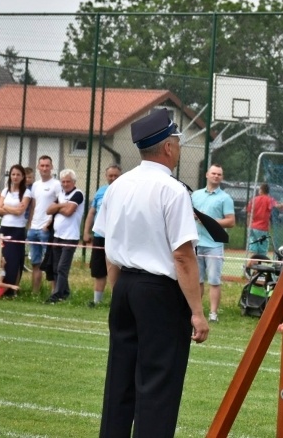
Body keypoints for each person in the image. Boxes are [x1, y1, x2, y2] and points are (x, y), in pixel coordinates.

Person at [94, 108, 209, 437]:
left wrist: (120, 289)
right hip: (159, 291)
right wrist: (198, 312)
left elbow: (108, 245)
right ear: (169, 148)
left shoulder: (118, 186)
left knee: (120, 380)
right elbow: (183, 256)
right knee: (159, 383)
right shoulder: (171, 190)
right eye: (178, 142)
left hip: (126, 285)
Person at [192, 164, 235, 322]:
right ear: (207, 175)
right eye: (213, 173)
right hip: (196, 243)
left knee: (214, 281)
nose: (216, 176)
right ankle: (196, 312)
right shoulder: (195, 195)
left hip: (214, 245)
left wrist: (209, 221)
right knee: (197, 281)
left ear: (221, 178)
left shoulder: (225, 198)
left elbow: (231, 221)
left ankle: (213, 314)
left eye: (219, 174)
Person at [83, 164, 122, 307]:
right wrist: (86, 232)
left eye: (115, 175)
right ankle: (96, 301)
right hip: (99, 235)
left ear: (120, 176)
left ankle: (116, 301)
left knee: (116, 268)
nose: (112, 178)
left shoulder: (125, 190)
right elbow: (92, 213)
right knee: (99, 270)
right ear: (106, 176)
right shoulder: (100, 191)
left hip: (116, 236)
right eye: (110, 175)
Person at [45, 169, 85, 304]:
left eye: (68, 181)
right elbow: (48, 210)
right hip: (57, 235)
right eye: (63, 181)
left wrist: (58, 207)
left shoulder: (78, 194)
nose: (66, 184)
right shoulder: (61, 194)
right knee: (56, 267)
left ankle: (57, 295)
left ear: (73, 182)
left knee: (62, 267)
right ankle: (64, 292)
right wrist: (62, 205)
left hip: (70, 236)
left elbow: (69, 212)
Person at [27, 156, 62, 294]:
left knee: (50, 261)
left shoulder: (56, 184)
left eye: (47, 165)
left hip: (46, 230)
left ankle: (54, 291)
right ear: (38, 167)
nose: (44, 168)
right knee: (35, 263)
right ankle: (35, 292)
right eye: (42, 165)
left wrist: (49, 223)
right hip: (33, 229)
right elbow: (34, 206)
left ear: (51, 167)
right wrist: (30, 224)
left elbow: (59, 204)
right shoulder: (35, 185)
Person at [0, 164, 32, 293]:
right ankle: (1, 288)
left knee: (15, 259)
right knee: (4, 258)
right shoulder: (5, 190)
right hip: (5, 228)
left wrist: (5, 207)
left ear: (22, 177)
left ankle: (12, 289)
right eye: (13, 174)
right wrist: (10, 209)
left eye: (18, 174)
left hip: (17, 229)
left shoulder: (26, 192)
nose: (15, 177)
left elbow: (20, 212)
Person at [246, 183, 283, 257]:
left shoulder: (253, 199)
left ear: (261, 190)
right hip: (262, 228)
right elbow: (279, 206)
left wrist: (248, 225)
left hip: (252, 227)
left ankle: (251, 266)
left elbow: (249, 214)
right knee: (261, 252)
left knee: (253, 250)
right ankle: (251, 266)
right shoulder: (269, 200)